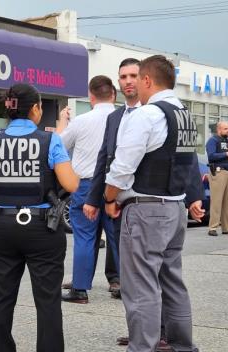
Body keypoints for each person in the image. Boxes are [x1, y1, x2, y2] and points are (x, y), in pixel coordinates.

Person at [0, 83, 79, 352]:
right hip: (42, 227)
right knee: (48, 301)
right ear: (35, 109)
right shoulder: (49, 141)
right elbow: (71, 183)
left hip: (1, 226)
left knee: (2, 299)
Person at [102, 55, 204, 352]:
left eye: (138, 80)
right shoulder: (186, 116)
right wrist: (193, 200)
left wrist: (108, 198)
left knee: (141, 285)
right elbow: (189, 166)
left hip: (146, 208)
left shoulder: (147, 115)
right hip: (175, 209)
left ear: (147, 80)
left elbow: (122, 165)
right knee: (172, 281)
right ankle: (183, 350)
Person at [56, 75, 120, 304]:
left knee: (84, 235)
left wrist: (62, 122)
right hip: (116, 185)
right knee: (117, 236)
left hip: (86, 184)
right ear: (113, 94)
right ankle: (122, 284)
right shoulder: (124, 119)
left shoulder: (81, 121)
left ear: (91, 96)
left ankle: (80, 289)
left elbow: (58, 146)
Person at [84, 59, 141, 301]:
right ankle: (138, 332)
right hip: (117, 201)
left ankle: (155, 332)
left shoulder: (153, 112)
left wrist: (192, 195)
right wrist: (94, 199)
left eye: (133, 75)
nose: (128, 81)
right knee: (126, 262)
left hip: (144, 200)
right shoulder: (115, 117)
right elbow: (103, 160)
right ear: (118, 83)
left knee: (146, 268)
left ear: (144, 78)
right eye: (123, 76)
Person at [206, 121, 228, 236]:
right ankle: (212, 227)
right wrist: (227, 154)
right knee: (216, 201)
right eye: (225, 128)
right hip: (218, 171)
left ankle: (227, 227)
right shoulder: (213, 140)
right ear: (219, 130)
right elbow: (211, 156)